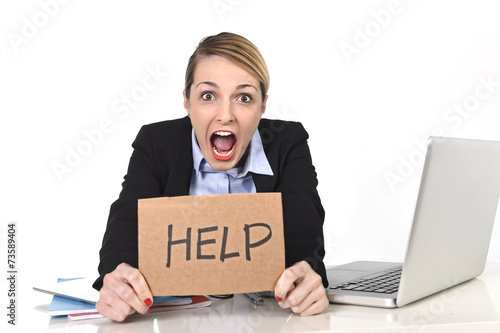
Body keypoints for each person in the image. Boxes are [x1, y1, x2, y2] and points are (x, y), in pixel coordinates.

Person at [93, 32, 329, 322]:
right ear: (187, 102)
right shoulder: (157, 143)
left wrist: (308, 273)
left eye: (244, 97)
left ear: (262, 106)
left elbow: (305, 225)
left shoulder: (287, 142)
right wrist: (118, 275)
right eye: (208, 96)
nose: (226, 115)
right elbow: (128, 218)